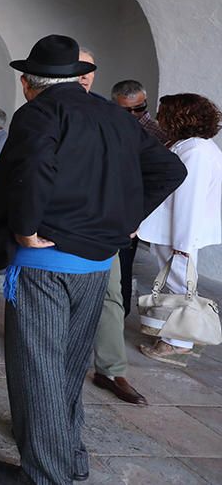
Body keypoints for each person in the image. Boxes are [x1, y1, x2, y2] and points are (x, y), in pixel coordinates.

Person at [0, 35, 185, 485]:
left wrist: (25, 229)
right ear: (77, 76)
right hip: (97, 262)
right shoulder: (114, 114)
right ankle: (70, 456)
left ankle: (45, 475)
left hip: (48, 264)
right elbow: (171, 170)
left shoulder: (38, 112)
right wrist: (128, 219)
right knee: (69, 368)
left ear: (26, 83)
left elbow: (35, 169)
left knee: (38, 369)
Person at [77, 58, 152, 406]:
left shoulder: (118, 121)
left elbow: (164, 170)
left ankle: (110, 369)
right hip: (65, 223)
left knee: (111, 295)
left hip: (107, 225)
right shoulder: (57, 110)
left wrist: (134, 215)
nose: (84, 76)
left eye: (89, 70)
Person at [137, 93, 222, 367]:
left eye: (164, 113)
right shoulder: (191, 145)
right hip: (173, 230)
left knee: (178, 286)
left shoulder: (195, 150)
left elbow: (189, 199)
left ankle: (177, 343)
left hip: (178, 232)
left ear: (179, 116)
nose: (159, 118)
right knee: (178, 283)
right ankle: (175, 337)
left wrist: (182, 243)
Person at [109, 79, 166, 317]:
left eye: (139, 108)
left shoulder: (156, 132)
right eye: (127, 110)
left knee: (123, 265)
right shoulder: (108, 125)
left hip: (133, 205)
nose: (134, 115)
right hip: (108, 200)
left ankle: (119, 314)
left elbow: (166, 173)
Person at [111, 79, 168, 144]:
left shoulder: (158, 134)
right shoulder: (106, 126)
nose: (133, 113)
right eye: (125, 110)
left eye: (139, 108)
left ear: (145, 102)